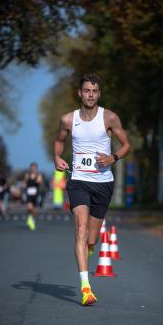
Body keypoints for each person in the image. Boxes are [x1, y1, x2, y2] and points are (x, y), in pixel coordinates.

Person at [53, 73, 130, 306]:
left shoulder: (110, 117)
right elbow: (59, 141)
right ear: (80, 93)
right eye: (87, 90)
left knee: (91, 239)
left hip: (103, 183)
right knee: (81, 229)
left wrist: (113, 157)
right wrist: (56, 157)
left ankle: (86, 253)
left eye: (95, 91)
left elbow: (126, 145)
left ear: (99, 94)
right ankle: (86, 288)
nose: (90, 95)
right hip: (78, 180)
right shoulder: (68, 119)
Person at [24, 162, 43, 231]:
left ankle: (31, 219)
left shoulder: (38, 175)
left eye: (35, 168)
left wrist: (38, 179)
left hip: (35, 194)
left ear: (36, 168)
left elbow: (40, 183)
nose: (33, 169)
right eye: (32, 168)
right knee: (29, 207)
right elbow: (25, 184)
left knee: (33, 209)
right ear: (30, 168)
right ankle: (30, 218)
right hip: (29, 194)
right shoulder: (27, 175)